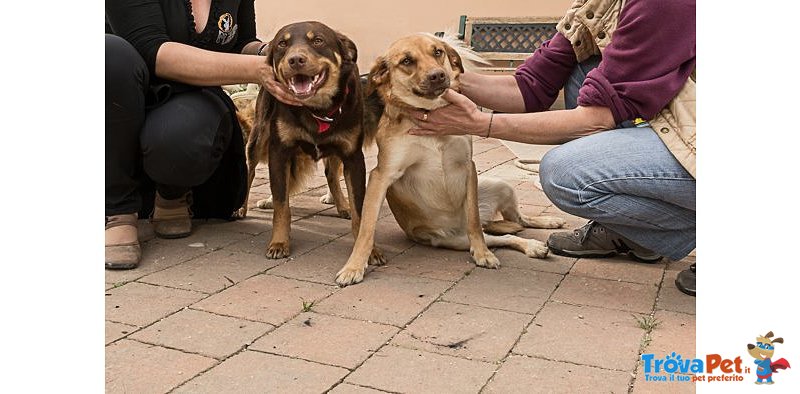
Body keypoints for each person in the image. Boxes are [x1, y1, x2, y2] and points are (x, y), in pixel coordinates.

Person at [405, 0, 696, 295]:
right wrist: (441, 77)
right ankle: (632, 233)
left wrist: (480, 124)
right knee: (584, 70)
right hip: (679, 123)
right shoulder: (600, 5)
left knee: (566, 174)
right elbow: (531, 85)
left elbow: (596, 119)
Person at [105, 0, 301, 270]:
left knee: (181, 135)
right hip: (123, 99)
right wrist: (259, 70)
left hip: (192, 96)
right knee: (108, 53)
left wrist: (273, 51)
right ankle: (119, 212)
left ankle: (172, 193)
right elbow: (153, 50)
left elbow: (240, 42)